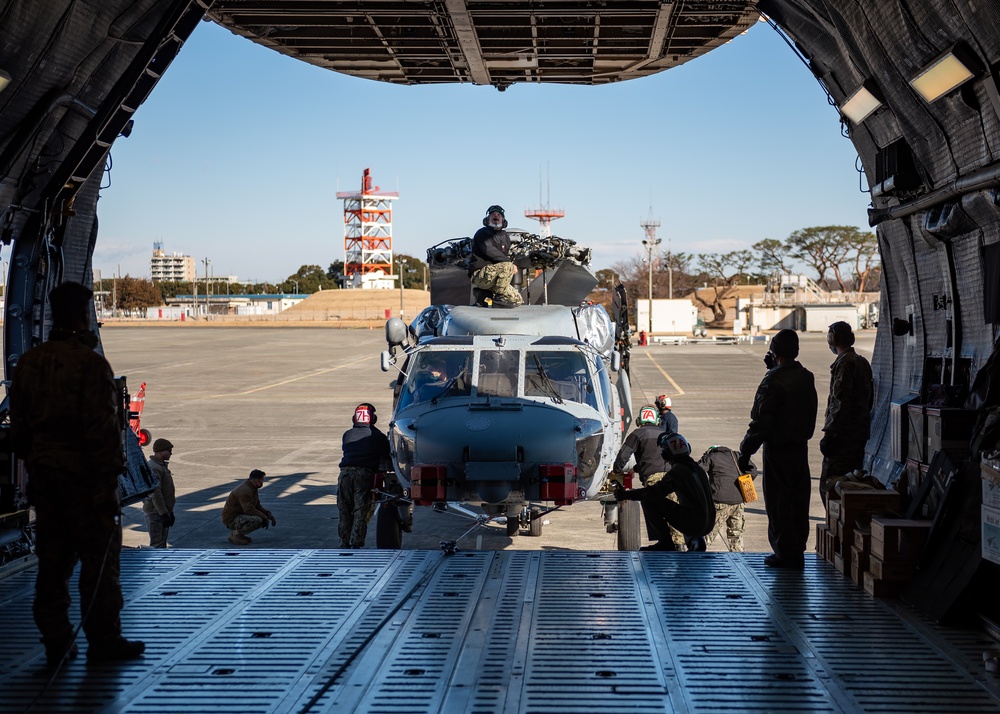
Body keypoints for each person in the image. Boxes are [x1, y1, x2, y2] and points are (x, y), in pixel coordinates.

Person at [8, 281, 145, 666]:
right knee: (100, 566)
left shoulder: (30, 364)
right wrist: (108, 484)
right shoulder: (90, 364)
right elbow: (102, 431)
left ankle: (57, 645)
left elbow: (17, 430)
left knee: (52, 567)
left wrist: (40, 464)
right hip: (86, 483)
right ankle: (103, 642)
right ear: (83, 316)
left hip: (46, 481)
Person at [738, 329, 817, 568]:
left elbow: (762, 421)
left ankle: (784, 553)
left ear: (775, 351)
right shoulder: (806, 376)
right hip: (800, 448)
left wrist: (746, 451)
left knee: (779, 501)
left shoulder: (773, 380)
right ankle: (797, 550)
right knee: (799, 500)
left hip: (778, 450)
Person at [614, 432, 715, 552]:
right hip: (708, 523)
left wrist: (627, 495)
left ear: (667, 454)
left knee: (649, 501)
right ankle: (695, 540)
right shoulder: (698, 469)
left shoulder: (678, 471)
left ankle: (665, 543)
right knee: (687, 507)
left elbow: (654, 493)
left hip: (695, 523)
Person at [819, 321, 874, 505]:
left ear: (833, 339)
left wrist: (831, 433)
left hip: (842, 437)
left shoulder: (845, 364)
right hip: (858, 434)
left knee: (830, 485)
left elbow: (841, 403)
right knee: (852, 484)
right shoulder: (862, 362)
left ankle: (837, 525)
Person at [338, 403, 392, 548]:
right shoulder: (377, 436)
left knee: (344, 510)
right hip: (364, 475)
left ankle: (343, 543)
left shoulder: (347, 434)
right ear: (373, 419)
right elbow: (387, 455)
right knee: (360, 511)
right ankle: (356, 543)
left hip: (345, 474)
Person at [699, 445, 757, 552]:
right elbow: (753, 472)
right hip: (739, 500)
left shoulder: (711, 456)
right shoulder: (737, 455)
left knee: (709, 532)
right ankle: (738, 557)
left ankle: (697, 553)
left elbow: (698, 472)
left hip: (720, 501)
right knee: (736, 533)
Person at [468, 204, 522, 308]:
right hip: (480, 275)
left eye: (499, 215)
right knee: (508, 266)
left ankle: (482, 294)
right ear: (487, 220)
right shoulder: (482, 233)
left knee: (517, 300)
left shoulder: (505, 236)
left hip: (495, 276)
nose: (496, 216)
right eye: (493, 214)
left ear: (503, 220)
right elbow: (489, 250)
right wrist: (510, 264)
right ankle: (498, 300)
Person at [221, 469, 276, 545]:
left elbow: (257, 505)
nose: (262, 482)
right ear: (257, 480)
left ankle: (240, 535)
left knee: (260, 517)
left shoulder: (252, 488)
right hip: (231, 519)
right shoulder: (245, 490)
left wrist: (267, 513)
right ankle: (235, 535)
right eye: (262, 480)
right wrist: (264, 517)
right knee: (257, 520)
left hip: (239, 515)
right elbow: (248, 509)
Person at [142, 438, 176, 548]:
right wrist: (164, 513)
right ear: (160, 451)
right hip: (156, 513)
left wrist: (169, 512)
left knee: (161, 544)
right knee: (157, 544)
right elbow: (155, 494)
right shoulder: (154, 468)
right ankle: (155, 565)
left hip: (162, 512)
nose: (171, 453)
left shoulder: (160, 466)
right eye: (169, 450)